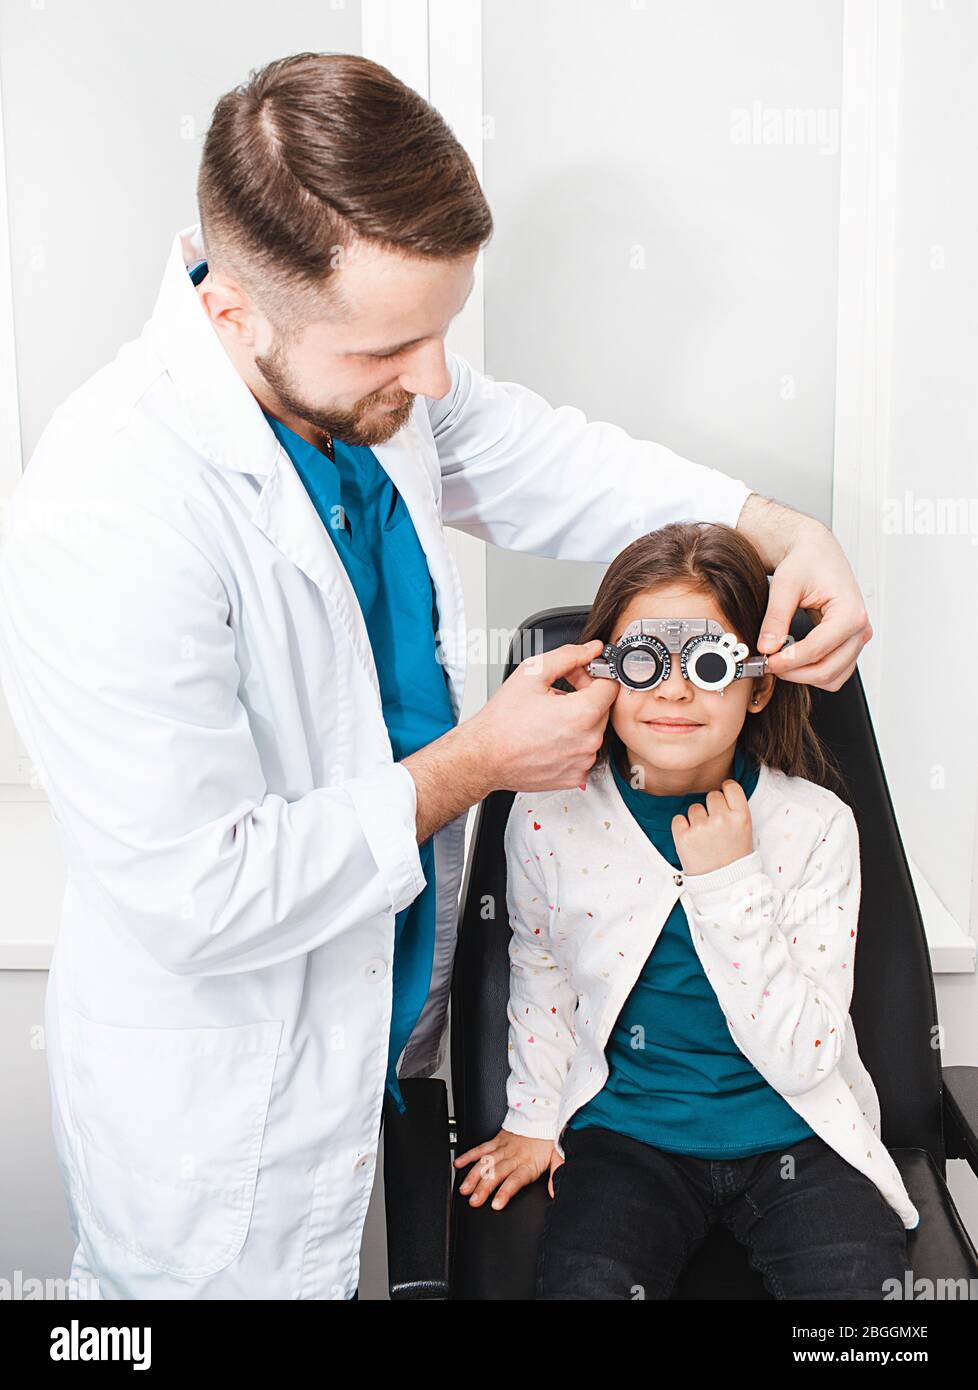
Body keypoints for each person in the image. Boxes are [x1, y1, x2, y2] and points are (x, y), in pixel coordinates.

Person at [0, 52, 872, 1300]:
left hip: (391, 1044)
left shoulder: (361, 381)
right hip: (236, 1105)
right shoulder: (106, 510)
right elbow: (201, 887)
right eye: (394, 347)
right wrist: (478, 767)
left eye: (444, 329)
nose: (435, 381)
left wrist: (782, 528)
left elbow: (552, 459)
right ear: (232, 311)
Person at [454, 521, 918, 1300]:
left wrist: (730, 883)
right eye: (643, 662)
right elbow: (538, 966)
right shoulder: (547, 817)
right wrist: (533, 1117)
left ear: (759, 683)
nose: (672, 690)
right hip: (629, 1141)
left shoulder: (815, 825)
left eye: (706, 664)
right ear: (604, 670)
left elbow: (809, 1052)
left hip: (799, 1138)